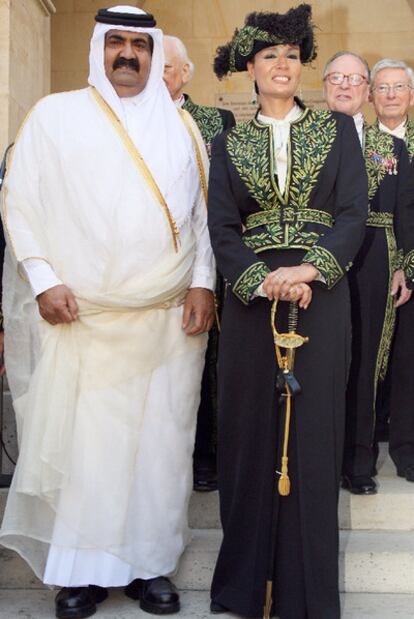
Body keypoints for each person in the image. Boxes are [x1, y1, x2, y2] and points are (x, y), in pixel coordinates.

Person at [0, 5, 215, 618]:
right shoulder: (54, 117)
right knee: (88, 449)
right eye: (116, 42)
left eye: (139, 44)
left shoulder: (182, 127)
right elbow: (21, 204)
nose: (128, 54)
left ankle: (150, 566)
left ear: (153, 53)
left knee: (160, 447)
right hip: (83, 317)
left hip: (168, 319)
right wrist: (42, 279)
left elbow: (202, 216)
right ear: (98, 48)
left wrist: (203, 283)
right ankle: (82, 573)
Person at [207, 6, 368, 619]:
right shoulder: (228, 142)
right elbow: (221, 227)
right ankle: (245, 590)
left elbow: (353, 214)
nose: (282, 64)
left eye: (292, 56)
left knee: (315, 438)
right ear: (249, 67)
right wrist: (259, 278)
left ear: (303, 67)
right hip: (251, 303)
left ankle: (307, 596)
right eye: (269, 55)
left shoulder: (338, 134)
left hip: (321, 297)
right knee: (249, 435)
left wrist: (310, 270)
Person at [324, 51, 414, 495]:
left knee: (365, 364)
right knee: (322, 362)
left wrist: (402, 267)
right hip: (316, 259)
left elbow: (405, 213)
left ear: (366, 91)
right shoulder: (309, 135)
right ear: (324, 86)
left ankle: (359, 461)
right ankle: (317, 459)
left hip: (375, 256)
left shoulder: (391, 149)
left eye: (355, 79)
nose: (346, 86)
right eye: (336, 78)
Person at [163, 34, 235, 492]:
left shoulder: (216, 121)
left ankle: (205, 455)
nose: (160, 76)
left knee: (206, 361)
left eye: (168, 68)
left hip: (203, 262)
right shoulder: (127, 123)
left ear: (186, 73)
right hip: (145, 271)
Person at [370, 59, 414, 482]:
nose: (390, 94)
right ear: (370, 95)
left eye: (398, 87)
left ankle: (407, 449)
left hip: (413, 264)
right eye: (382, 87)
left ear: (412, 95)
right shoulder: (359, 141)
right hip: (371, 263)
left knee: (408, 362)